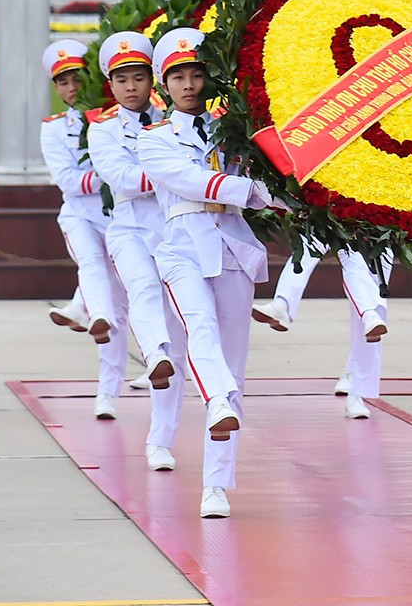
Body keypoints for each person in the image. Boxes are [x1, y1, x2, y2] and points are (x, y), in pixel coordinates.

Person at [142, 27, 280, 519]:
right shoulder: (153, 139)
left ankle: (216, 485)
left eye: (196, 74)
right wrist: (253, 192)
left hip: (234, 250)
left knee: (234, 361)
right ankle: (216, 400)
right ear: (163, 85)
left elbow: (268, 176)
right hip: (182, 248)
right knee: (197, 327)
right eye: (177, 76)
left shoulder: (235, 130)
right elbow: (191, 181)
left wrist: (293, 199)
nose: (189, 85)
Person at [87, 31, 185, 469]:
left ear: (153, 81)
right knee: (142, 289)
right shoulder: (103, 128)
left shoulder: (176, 118)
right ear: (111, 85)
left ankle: (161, 439)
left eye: (139, 77)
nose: (131, 87)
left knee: (178, 326)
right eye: (122, 79)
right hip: (128, 227)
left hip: (174, 228)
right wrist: (170, 173)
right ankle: (154, 355)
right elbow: (120, 177)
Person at [38, 40, 128, 415]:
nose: (71, 87)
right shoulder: (54, 129)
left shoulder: (118, 119)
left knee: (122, 309)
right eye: (62, 82)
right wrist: (110, 174)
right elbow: (69, 182)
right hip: (80, 214)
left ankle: (109, 388)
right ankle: (94, 311)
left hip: (124, 220)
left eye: (77, 77)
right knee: (90, 265)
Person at [254, 243, 391, 418]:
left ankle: (356, 386)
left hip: (379, 225)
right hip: (338, 218)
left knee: (373, 295)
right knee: (313, 239)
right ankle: (282, 303)